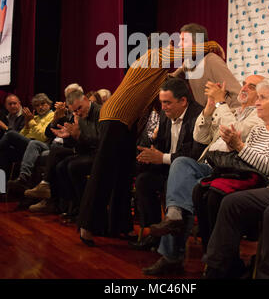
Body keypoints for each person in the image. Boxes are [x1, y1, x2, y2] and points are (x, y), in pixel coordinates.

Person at [78, 37, 223, 246]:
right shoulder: (153, 56)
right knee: (103, 173)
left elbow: (170, 79)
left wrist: (181, 71)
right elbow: (186, 54)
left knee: (123, 177)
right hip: (116, 118)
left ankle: (119, 227)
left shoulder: (153, 71)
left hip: (125, 123)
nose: (174, 49)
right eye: (171, 45)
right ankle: (87, 226)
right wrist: (212, 46)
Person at [142, 74, 264, 275]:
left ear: (261, 95)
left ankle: (172, 255)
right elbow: (201, 136)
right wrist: (208, 109)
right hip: (209, 165)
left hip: (231, 171)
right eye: (243, 84)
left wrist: (222, 102)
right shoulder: (232, 111)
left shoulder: (258, 116)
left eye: (251, 86)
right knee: (180, 168)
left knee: (187, 190)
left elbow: (235, 133)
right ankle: (173, 218)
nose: (244, 88)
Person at [198, 79, 269, 279]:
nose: (257, 102)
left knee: (224, 198)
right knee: (203, 192)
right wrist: (232, 146)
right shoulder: (258, 129)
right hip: (251, 180)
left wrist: (239, 147)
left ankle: (219, 267)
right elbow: (244, 162)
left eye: (263, 98)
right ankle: (220, 265)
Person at [130, 78, 205, 250]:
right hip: (166, 169)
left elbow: (195, 154)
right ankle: (154, 233)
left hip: (188, 174)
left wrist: (161, 157)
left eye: (167, 103)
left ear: (183, 101)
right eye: (161, 102)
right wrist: (150, 154)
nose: (162, 107)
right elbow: (162, 145)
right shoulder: (165, 115)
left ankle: (172, 244)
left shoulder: (198, 116)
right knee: (142, 180)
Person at [26, 89, 101, 217]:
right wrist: (70, 136)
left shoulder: (99, 113)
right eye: (74, 111)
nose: (77, 112)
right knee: (61, 166)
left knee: (71, 165)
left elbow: (99, 141)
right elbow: (78, 142)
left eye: (79, 109)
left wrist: (77, 136)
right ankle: (70, 206)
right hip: (84, 151)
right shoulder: (80, 115)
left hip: (99, 154)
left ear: (85, 100)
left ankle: (83, 209)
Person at [173, 24, 241, 108]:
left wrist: (233, 118)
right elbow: (171, 81)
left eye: (184, 40)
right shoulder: (189, 64)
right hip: (205, 117)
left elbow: (236, 93)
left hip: (221, 117)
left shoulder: (212, 61)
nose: (179, 44)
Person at [1, 93, 54, 191]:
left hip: (44, 145)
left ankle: (23, 177)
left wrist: (31, 122)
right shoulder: (35, 117)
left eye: (43, 104)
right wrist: (27, 123)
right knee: (4, 153)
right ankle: (1, 189)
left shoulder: (53, 116)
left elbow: (42, 137)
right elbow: (24, 135)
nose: (40, 107)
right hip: (31, 143)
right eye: (37, 105)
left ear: (49, 104)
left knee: (11, 134)